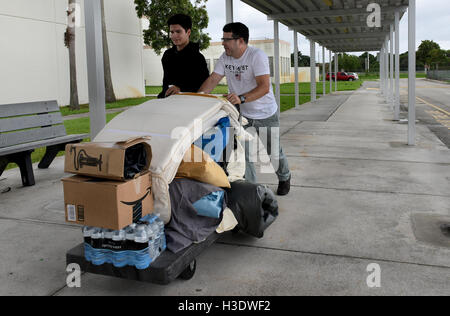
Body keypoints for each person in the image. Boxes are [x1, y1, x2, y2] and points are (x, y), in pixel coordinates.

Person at [198, 22, 291, 196]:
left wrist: (241, 98)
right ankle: (251, 192)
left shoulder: (257, 56)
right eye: (222, 39)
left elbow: (264, 87)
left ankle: (285, 176)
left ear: (240, 41)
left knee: (273, 152)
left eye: (227, 39)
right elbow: (213, 79)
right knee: (243, 155)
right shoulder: (225, 58)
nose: (223, 43)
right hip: (241, 115)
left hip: (265, 113)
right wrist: (198, 97)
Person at [157, 14, 210, 99]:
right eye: (172, 32)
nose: (174, 36)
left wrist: (181, 88)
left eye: (178, 32)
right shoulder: (167, 55)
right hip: (168, 102)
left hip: (190, 103)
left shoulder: (198, 58)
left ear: (188, 32)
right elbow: (166, 82)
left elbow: (204, 86)